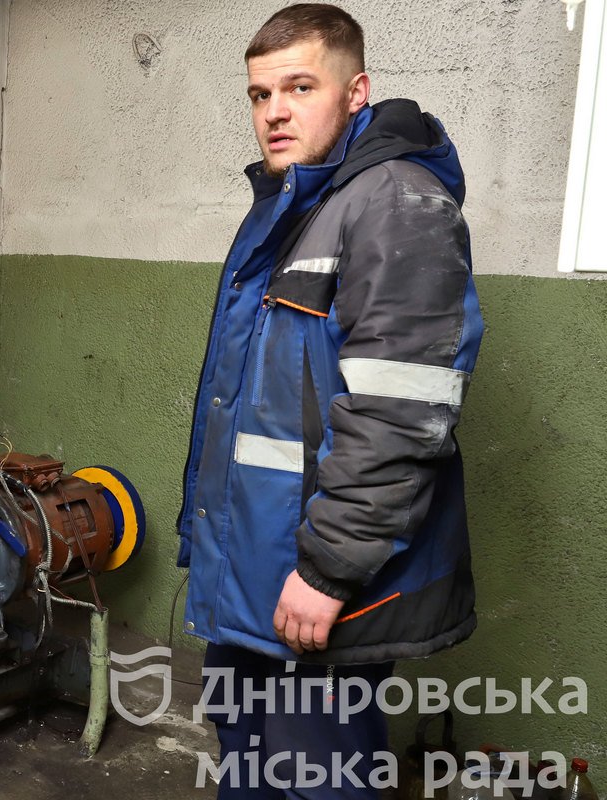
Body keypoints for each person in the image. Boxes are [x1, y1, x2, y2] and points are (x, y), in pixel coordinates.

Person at [176, 5, 482, 798]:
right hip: (254, 564)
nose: (273, 111)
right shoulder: (294, 206)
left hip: (315, 580)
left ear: (357, 93)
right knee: (245, 760)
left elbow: (400, 413)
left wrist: (329, 569)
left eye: (300, 86)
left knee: (319, 778)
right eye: (258, 94)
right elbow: (248, 401)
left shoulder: (396, 203)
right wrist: (206, 536)